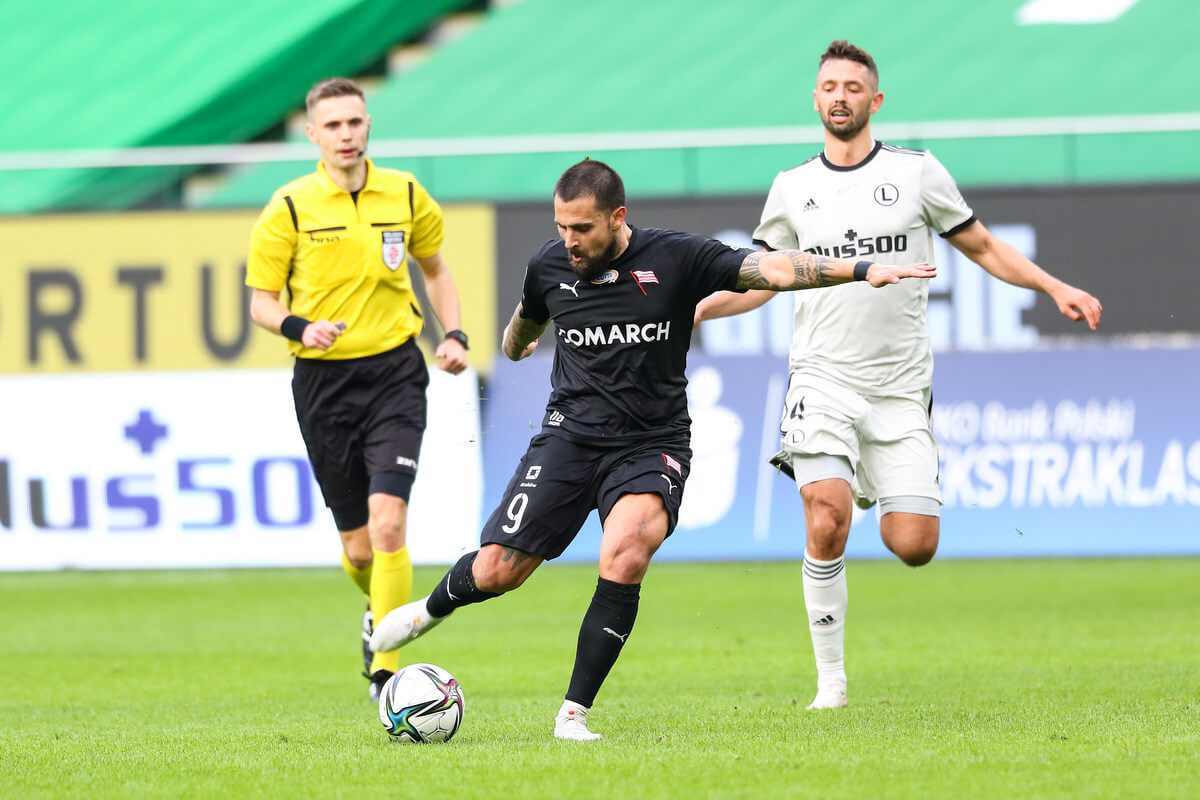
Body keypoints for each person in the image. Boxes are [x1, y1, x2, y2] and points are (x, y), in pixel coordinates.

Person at [368, 158, 935, 740]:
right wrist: (515, 342)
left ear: (617, 217)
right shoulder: (549, 265)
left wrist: (861, 269)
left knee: (627, 548)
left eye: (582, 229)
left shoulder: (676, 258)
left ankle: (572, 714)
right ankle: (427, 612)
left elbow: (776, 269)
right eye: (562, 227)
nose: (570, 241)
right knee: (497, 572)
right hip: (568, 438)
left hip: (651, 443)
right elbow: (522, 329)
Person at [694, 40, 1103, 711]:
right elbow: (763, 278)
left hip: (898, 389)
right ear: (815, 98)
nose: (840, 97)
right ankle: (831, 682)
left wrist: (1054, 287)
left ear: (875, 101)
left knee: (912, 545)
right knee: (824, 517)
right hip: (822, 379)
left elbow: (984, 245)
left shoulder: (918, 174)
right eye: (829, 86)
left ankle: (861, 483)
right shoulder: (793, 188)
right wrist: (697, 313)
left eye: (854, 87)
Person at [245, 77, 470, 702]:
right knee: (361, 549)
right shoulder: (288, 208)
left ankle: (387, 668)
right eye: (334, 125)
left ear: (368, 126)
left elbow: (436, 267)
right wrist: (299, 327)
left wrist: (453, 334)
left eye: (356, 122)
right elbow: (261, 302)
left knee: (390, 524)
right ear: (312, 135)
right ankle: (379, 606)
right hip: (322, 383)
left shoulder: (403, 192)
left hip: (396, 373)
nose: (347, 134)